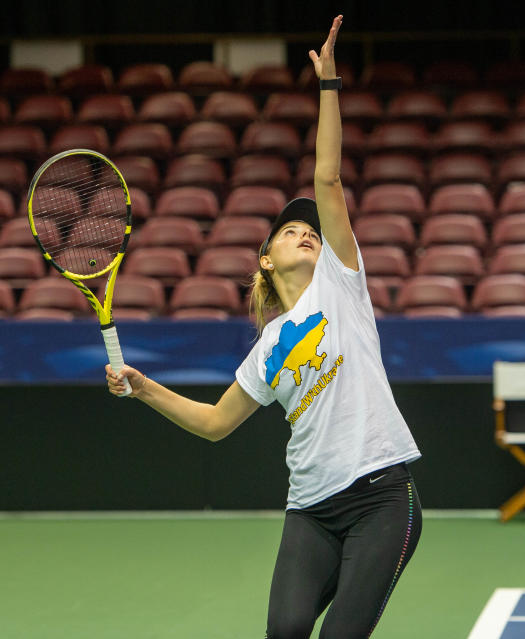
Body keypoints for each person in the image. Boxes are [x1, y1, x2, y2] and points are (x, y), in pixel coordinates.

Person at [106, 15, 422, 638]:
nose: (305, 230)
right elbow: (216, 424)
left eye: (311, 228)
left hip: (382, 498)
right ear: (266, 258)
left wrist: (328, 85)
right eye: (288, 230)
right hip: (309, 509)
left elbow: (326, 177)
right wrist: (145, 389)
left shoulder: (343, 285)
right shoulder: (267, 350)